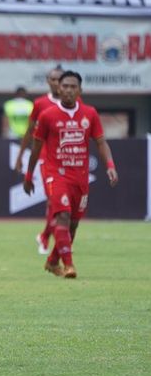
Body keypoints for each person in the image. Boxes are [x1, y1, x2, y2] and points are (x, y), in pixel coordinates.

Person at [23, 70, 118, 279]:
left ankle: (51, 261)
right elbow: (36, 148)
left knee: (73, 225)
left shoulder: (90, 113)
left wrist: (109, 165)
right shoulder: (47, 115)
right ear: (58, 88)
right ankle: (69, 266)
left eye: (73, 87)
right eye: (64, 86)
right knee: (62, 216)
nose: (67, 90)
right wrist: (29, 175)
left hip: (80, 177)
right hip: (55, 174)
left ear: (80, 90)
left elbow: (101, 142)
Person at [14, 65, 65, 255]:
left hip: (68, 160)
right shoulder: (41, 103)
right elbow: (30, 132)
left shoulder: (74, 102)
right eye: (53, 79)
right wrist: (20, 157)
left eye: (60, 80)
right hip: (47, 159)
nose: (57, 83)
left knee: (68, 205)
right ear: (48, 82)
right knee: (54, 200)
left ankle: (45, 236)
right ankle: (53, 240)